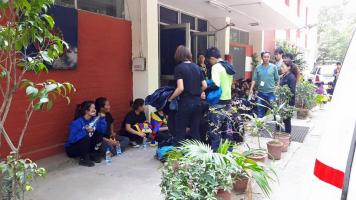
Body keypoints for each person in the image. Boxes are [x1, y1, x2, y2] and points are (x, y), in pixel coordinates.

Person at [168, 45, 207, 145]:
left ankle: (179, 157)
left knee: (180, 131)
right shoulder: (197, 67)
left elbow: (180, 88)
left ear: (178, 55)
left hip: (185, 103)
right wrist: (198, 92)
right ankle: (198, 154)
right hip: (197, 103)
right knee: (195, 131)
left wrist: (170, 98)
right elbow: (205, 85)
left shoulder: (179, 68)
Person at [205, 47, 236, 151]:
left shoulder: (216, 67)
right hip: (228, 101)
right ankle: (229, 152)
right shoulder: (228, 66)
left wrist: (205, 88)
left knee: (215, 130)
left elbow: (216, 84)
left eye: (209, 60)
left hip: (218, 102)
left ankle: (216, 156)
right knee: (227, 129)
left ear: (213, 58)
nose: (209, 62)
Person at [65, 101, 107, 167]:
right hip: (72, 149)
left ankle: (93, 154)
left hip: (86, 146)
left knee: (99, 134)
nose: (95, 110)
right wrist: (85, 131)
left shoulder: (94, 120)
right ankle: (84, 159)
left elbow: (102, 131)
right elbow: (71, 140)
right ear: (86, 111)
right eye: (92, 108)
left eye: (95, 108)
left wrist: (102, 119)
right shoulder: (77, 122)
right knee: (85, 137)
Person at [250, 51, 279, 118]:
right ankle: (261, 126)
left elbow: (277, 79)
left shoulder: (274, 67)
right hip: (261, 93)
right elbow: (254, 79)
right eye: (264, 57)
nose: (266, 58)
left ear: (269, 58)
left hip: (271, 92)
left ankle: (276, 124)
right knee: (260, 110)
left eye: (268, 57)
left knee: (274, 109)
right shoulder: (258, 68)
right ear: (262, 58)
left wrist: (277, 87)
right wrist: (251, 89)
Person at [279, 59, 298, 134]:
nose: (281, 68)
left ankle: (287, 135)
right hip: (282, 101)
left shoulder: (291, 77)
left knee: (287, 120)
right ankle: (283, 134)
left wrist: (283, 90)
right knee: (283, 119)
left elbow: (292, 91)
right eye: (281, 67)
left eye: (283, 67)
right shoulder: (284, 76)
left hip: (288, 102)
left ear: (289, 67)